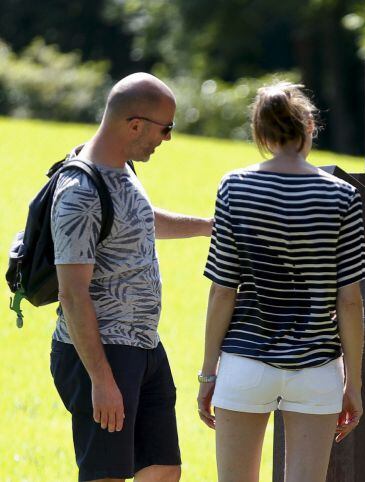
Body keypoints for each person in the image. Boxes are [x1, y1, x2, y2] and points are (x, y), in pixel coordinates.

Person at [197, 81, 365, 482]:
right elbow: (350, 302)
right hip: (317, 368)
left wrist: (208, 374)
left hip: (245, 362)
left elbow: (223, 289)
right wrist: (354, 384)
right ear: (310, 125)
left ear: (261, 132)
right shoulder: (342, 197)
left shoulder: (235, 186)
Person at [50, 72, 213, 482]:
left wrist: (212, 225)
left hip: (143, 346)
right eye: (166, 129)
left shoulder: (122, 172)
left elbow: (141, 220)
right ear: (135, 124)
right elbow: (72, 295)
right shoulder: (79, 192)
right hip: (102, 352)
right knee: (106, 474)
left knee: (162, 470)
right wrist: (101, 380)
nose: (168, 139)